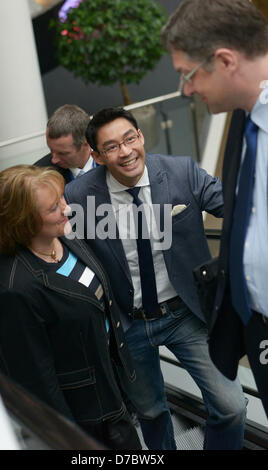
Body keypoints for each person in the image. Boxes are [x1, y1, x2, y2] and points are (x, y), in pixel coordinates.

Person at [65, 106, 247, 450]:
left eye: (130, 138)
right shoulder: (79, 196)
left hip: (187, 314)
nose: (126, 151)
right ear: (98, 156)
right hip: (127, 324)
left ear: (141, 136)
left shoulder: (181, 172)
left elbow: (236, 207)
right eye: (112, 146)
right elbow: (72, 255)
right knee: (151, 413)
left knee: (232, 407)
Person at [161, 0, 268, 419]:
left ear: (224, 60)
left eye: (187, 75)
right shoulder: (244, 119)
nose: (185, 90)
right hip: (257, 332)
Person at [0, 165, 141, 450]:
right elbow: (36, 383)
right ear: (23, 221)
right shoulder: (13, 290)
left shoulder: (64, 237)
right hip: (88, 421)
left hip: (114, 392)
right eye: (52, 207)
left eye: (61, 199)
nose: (67, 209)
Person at [35, 104, 96, 183]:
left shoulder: (110, 161)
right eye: (51, 150)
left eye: (62, 153)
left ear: (87, 143)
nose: (54, 160)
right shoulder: (40, 176)